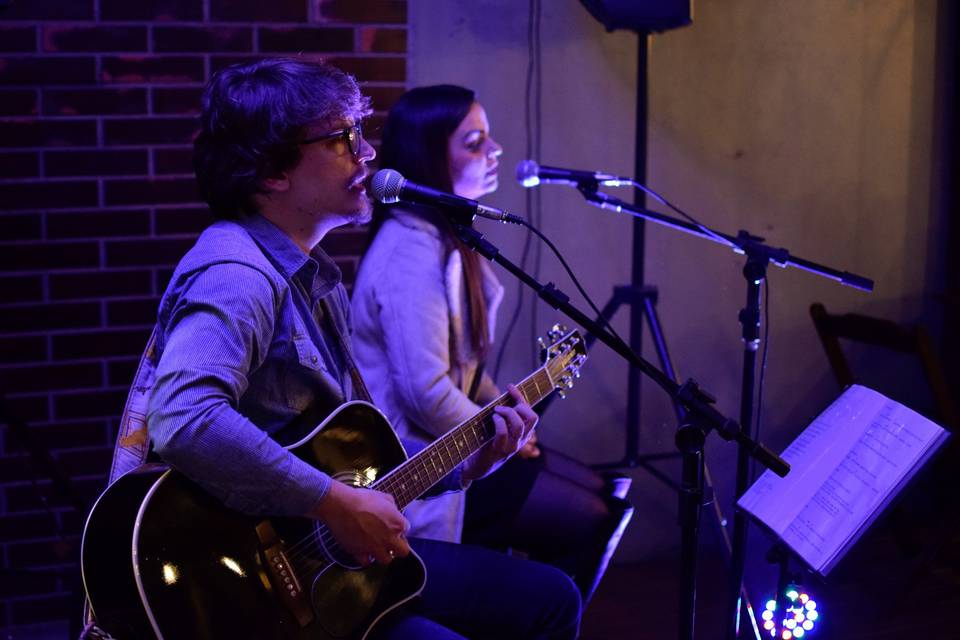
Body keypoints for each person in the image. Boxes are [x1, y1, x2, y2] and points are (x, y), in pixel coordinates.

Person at [100, 58, 581, 640]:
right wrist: (333, 503)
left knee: (551, 597)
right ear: (272, 170)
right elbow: (185, 418)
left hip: (326, 568)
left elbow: (355, 452)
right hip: (257, 595)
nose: (367, 155)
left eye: (360, 134)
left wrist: (468, 463)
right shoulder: (236, 271)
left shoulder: (312, 274)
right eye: (342, 138)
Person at [351, 85, 633, 604]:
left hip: (456, 445)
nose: (495, 151)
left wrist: (503, 405)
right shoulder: (409, 253)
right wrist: (494, 438)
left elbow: (462, 368)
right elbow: (426, 392)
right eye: (475, 142)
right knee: (593, 517)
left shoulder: (440, 237)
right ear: (429, 157)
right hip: (421, 470)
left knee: (608, 491)